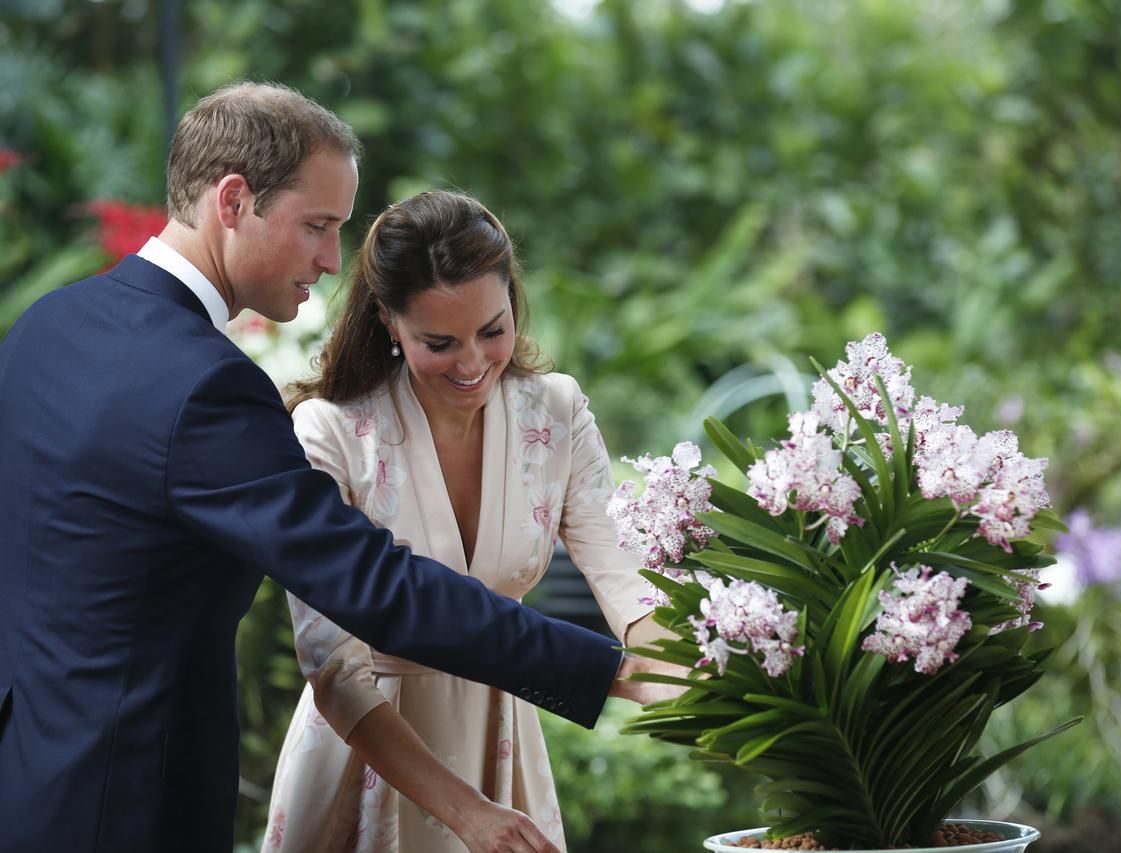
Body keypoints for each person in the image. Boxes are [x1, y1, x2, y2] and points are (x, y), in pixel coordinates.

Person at [0, 82, 674, 853]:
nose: (330, 259)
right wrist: (605, 670)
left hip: (27, 783)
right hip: (128, 806)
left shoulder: (45, 326)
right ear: (233, 201)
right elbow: (375, 588)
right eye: (317, 226)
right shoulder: (205, 385)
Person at [259, 191, 666, 853]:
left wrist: (711, 695)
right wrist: (467, 813)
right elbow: (333, 665)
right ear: (389, 320)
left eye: (493, 330)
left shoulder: (554, 413)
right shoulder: (329, 432)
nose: (473, 363)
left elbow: (632, 588)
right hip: (371, 755)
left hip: (502, 747)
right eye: (439, 342)